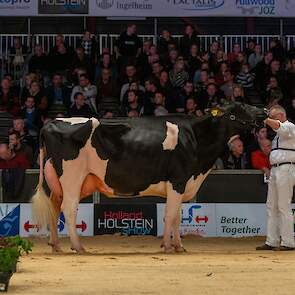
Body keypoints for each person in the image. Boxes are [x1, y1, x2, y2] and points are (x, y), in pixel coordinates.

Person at [256, 105, 295, 251]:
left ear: (280, 115)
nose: (271, 121)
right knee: (271, 205)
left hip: (286, 168)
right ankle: (271, 240)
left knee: (284, 206)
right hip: (276, 169)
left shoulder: (290, 126)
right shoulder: (278, 135)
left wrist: (265, 119)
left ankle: (288, 242)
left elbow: (279, 126)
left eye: (273, 117)